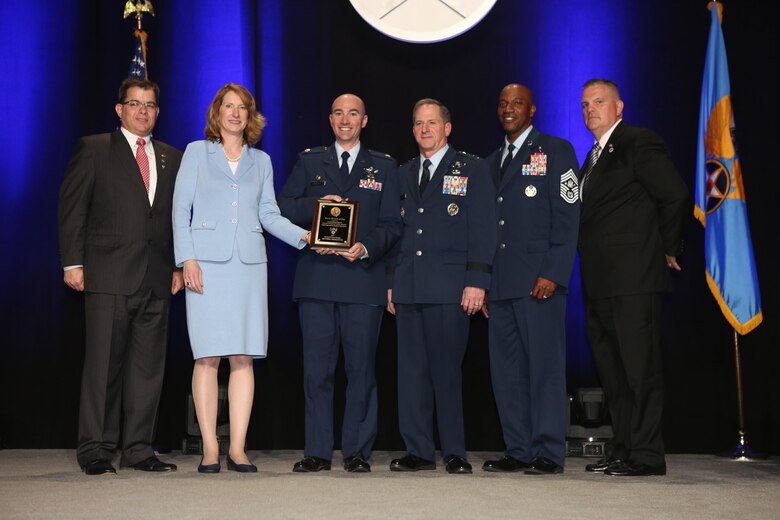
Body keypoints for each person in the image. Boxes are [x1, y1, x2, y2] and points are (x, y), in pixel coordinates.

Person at [172, 83, 309, 473]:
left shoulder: (261, 161)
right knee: (207, 357)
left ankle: (238, 449)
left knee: (244, 357)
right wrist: (187, 260)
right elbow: (181, 210)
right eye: (228, 106)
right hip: (206, 267)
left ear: (250, 116)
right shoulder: (197, 153)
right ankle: (211, 449)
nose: (235, 113)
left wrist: (305, 236)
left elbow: (268, 214)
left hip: (248, 267)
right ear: (217, 112)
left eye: (242, 108)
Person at [58, 78, 183, 475]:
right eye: (134, 104)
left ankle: (139, 448)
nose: (142, 111)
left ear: (157, 112)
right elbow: (72, 209)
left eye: (149, 105)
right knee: (103, 368)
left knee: (148, 371)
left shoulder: (171, 157)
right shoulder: (94, 149)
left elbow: (178, 219)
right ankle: (95, 448)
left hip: (157, 278)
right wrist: (71, 262)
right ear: (119, 109)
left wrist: (179, 264)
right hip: (108, 274)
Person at [278, 93, 401, 473]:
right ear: (329, 119)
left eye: (353, 113)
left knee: (362, 371)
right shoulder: (310, 159)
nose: (345, 120)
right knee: (317, 371)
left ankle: (356, 451)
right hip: (316, 281)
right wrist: (315, 206)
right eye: (338, 113)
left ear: (364, 120)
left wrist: (366, 248)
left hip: (363, 281)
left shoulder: (384, 166)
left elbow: (393, 225)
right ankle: (316, 450)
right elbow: (283, 205)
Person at [578, 78, 691, 476]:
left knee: (639, 370)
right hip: (599, 282)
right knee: (613, 372)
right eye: (585, 104)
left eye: (599, 101)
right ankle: (624, 449)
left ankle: (647, 455)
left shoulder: (638, 142)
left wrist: (669, 247)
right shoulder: (590, 157)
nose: (591, 109)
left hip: (634, 279)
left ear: (619, 106)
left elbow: (674, 194)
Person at [387, 98, 496, 474]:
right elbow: (396, 231)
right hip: (409, 286)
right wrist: (391, 281)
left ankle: (454, 451)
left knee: (446, 372)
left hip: (451, 287)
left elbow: (483, 228)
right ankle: (418, 449)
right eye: (418, 123)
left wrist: (477, 281)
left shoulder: (471, 169)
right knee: (411, 373)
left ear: (447, 128)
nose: (424, 130)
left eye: (432, 123)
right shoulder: (403, 173)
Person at [481, 84, 580, 475]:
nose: (509, 109)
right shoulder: (489, 163)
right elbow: (487, 228)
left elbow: (569, 216)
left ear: (532, 109)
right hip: (501, 284)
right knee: (506, 373)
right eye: (503, 103)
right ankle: (518, 448)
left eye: (517, 103)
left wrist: (553, 272)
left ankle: (548, 450)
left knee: (544, 368)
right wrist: (483, 282)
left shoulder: (557, 151)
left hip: (539, 282)